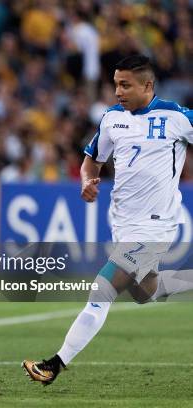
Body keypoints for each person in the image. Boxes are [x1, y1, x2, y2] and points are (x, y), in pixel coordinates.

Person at [22, 55, 193, 385]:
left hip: (156, 226)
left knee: (101, 291)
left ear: (148, 86)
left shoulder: (176, 117)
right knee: (145, 292)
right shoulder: (112, 119)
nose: (118, 91)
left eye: (125, 85)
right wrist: (86, 181)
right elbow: (91, 161)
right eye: (115, 84)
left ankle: (54, 364)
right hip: (124, 224)